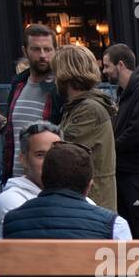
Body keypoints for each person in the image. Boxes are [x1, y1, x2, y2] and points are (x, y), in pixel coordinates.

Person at [2, 140, 131, 240]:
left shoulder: (11, 222)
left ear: (44, 178)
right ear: (88, 186)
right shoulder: (114, 225)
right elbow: (127, 272)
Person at [102, 44, 139, 239]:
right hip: (124, 171)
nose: (104, 72)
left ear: (120, 65)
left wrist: (110, 148)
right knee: (129, 228)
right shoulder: (126, 93)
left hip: (137, 173)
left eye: (107, 66)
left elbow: (137, 133)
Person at [53, 44, 118, 212]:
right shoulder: (80, 106)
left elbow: (63, 151)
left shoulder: (87, 109)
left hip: (92, 202)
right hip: (90, 200)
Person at [3, 25, 62, 182]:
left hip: (49, 181)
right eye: (36, 49)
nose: (43, 55)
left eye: (47, 49)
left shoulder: (60, 89)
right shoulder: (18, 84)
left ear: (55, 50)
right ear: (25, 51)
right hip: (15, 180)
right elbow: (12, 133)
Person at [0, 121, 61, 236]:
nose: (51, 161)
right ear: (23, 159)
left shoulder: (78, 196)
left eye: (56, 154)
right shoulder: (11, 199)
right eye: (40, 155)